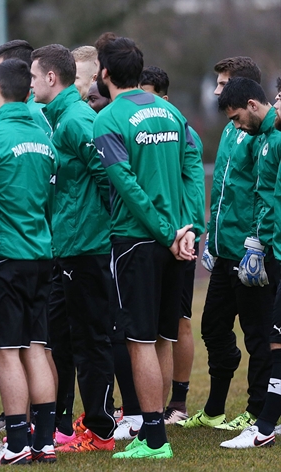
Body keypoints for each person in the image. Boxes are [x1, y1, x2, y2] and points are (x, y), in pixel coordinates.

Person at [93, 33, 203, 460]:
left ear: (105, 72)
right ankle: (154, 432)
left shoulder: (108, 119)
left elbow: (126, 185)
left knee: (139, 340)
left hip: (138, 242)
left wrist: (165, 231)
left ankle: (154, 439)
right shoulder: (172, 112)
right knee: (161, 335)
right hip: (175, 241)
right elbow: (193, 167)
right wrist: (188, 228)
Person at [177, 56, 275, 433]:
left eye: (222, 84)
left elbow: (262, 192)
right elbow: (221, 189)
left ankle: (257, 408)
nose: (217, 91)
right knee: (213, 328)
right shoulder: (233, 129)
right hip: (222, 250)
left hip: (249, 252)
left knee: (258, 334)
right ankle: (215, 409)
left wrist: (256, 243)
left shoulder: (259, 132)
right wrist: (209, 237)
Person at [0, 58, 58, 466]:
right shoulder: (44, 139)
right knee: (36, 347)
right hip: (40, 257)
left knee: (5, 352)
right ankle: (45, 441)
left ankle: (18, 443)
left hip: (0, 258)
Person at [30, 44, 117, 453]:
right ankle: (61, 426)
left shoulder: (78, 120)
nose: (30, 85)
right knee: (60, 340)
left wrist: (101, 230)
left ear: (51, 78)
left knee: (91, 341)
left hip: (87, 248)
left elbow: (109, 176)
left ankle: (100, 430)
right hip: (65, 246)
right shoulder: (59, 118)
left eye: (34, 77)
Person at [139, 65, 206, 425]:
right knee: (149, 328)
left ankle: (177, 404)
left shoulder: (182, 130)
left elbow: (194, 183)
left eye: (149, 95)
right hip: (151, 238)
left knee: (178, 322)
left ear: (164, 98)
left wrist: (190, 229)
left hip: (179, 239)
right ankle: (148, 407)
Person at [220, 76, 281, 449]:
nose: (237, 127)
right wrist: (257, 241)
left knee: (276, 340)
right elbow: (265, 195)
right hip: (274, 249)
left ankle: (264, 427)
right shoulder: (265, 138)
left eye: (237, 118)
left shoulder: (276, 137)